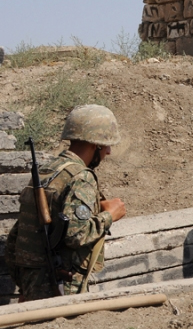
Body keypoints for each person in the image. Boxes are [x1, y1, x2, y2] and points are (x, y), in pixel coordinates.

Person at [5, 105, 127, 301]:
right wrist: (110, 215)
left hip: (32, 282)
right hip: (60, 284)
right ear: (95, 145)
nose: (109, 152)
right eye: (106, 145)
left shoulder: (48, 170)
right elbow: (76, 235)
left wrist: (26, 283)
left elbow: (17, 236)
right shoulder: (81, 178)